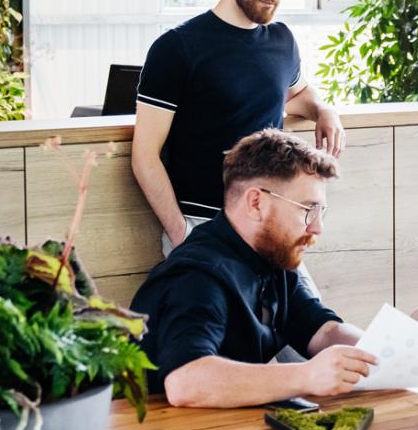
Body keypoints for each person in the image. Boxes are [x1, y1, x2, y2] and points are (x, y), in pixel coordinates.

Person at [132, 0, 345, 256]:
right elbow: (144, 156)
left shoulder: (282, 41)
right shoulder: (177, 47)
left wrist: (324, 110)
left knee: (311, 310)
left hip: (274, 223)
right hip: (204, 227)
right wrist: (182, 235)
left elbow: (296, 93)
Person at [130, 129, 368, 407]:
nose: (317, 227)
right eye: (307, 209)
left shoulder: (271, 257)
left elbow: (324, 331)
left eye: (320, 211)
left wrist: (392, 347)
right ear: (256, 203)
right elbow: (185, 382)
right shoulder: (197, 276)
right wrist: (306, 375)